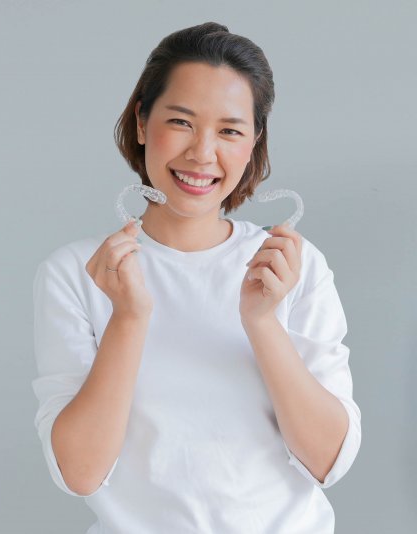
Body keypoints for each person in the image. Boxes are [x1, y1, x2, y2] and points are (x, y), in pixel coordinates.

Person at [30, 22, 361, 533]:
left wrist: (263, 321)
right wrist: (129, 317)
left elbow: (328, 462)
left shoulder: (291, 266)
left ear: (253, 143)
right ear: (142, 123)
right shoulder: (80, 273)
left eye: (229, 130)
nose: (202, 153)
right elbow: (80, 473)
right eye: (181, 122)